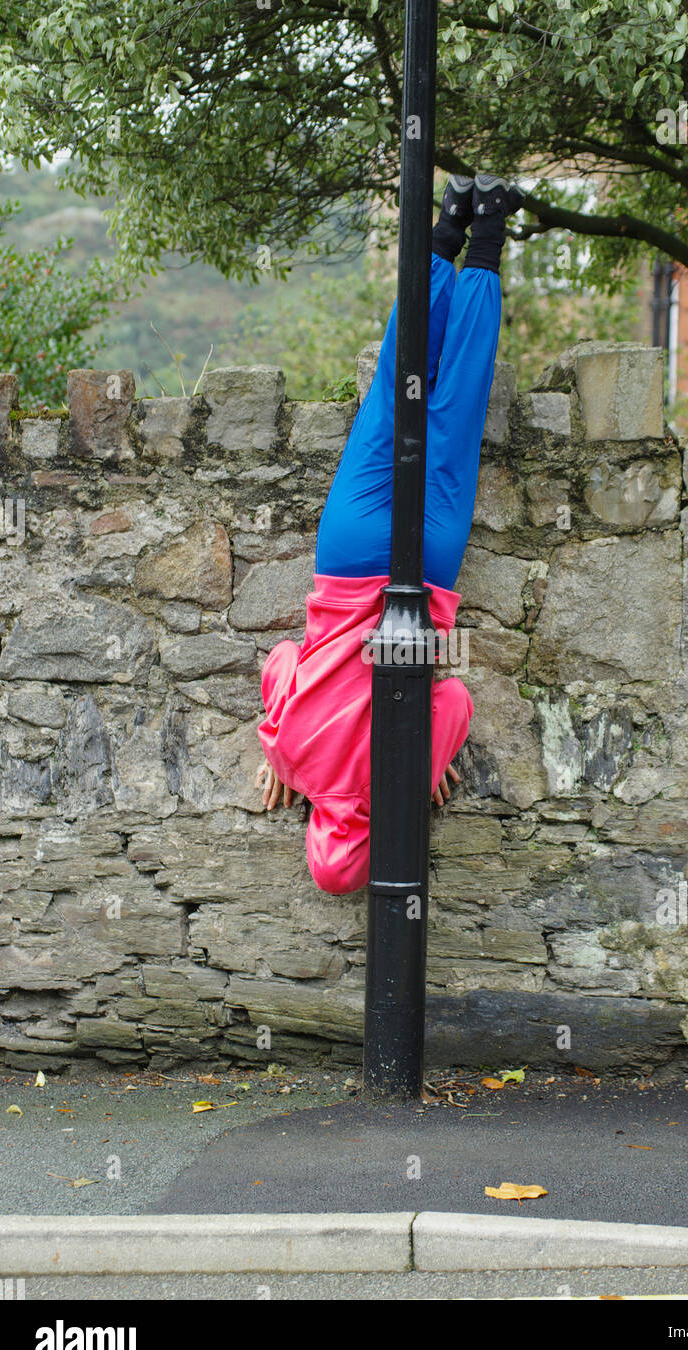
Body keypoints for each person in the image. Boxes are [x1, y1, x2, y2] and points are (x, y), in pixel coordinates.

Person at [255, 172, 523, 894]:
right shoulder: (290, 759)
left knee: (456, 409)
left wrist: (426, 771)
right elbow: (281, 657)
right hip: (346, 561)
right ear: (314, 831)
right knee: (391, 397)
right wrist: (280, 757)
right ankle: (444, 228)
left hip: (424, 577)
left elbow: (455, 703)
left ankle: (489, 228)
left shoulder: (400, 780)